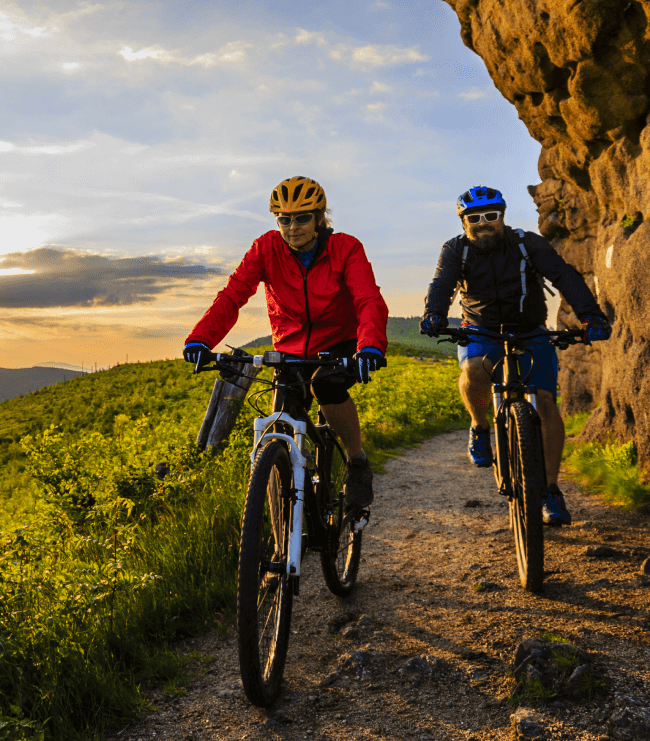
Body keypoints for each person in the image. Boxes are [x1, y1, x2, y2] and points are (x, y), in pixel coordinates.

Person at [183, 176, 389, 512]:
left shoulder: (345, 248)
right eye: (285, 219)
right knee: (280, 426)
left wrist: (369, 347)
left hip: (338, 342)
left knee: (327, 386)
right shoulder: (266, 248)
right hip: (290, 348)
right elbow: (233, 294)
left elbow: (368, 299)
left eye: (303, 218)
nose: (293, 227)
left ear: (320, 218)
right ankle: (284, 533)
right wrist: (200, 339)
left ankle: (356, 461)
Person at [420, 185, 611, 526]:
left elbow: (564, 275)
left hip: (530, 330)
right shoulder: (455, 250)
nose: (483, 224)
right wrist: (434, 313)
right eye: (474, 218)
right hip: (481, 330)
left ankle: (551, 490)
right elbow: (442, 283)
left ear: (502, 217)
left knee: (546, 403)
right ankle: (480, 426)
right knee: (475, 373)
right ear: (464, 222)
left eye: (490, 216)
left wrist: (590, 314)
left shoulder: (527, 243)